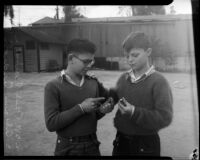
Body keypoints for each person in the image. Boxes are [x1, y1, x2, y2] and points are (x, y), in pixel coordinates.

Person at [44, 39, 114, 156]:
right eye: (86, 61)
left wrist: (102, 111)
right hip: (67, 147)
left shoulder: (93, 83)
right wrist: (81, 108)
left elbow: (92, 116)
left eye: (91, 61)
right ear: (71, 58)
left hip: (92, 144)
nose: (90, 65)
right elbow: (51, 124)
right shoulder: (53, 86)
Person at [110, 31, 173, 156]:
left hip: (145, 145)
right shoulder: (123, 78)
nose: (130, 60)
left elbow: (165, 117)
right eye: (127, 56)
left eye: (134, 55)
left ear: (148, 52)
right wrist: (108, 101)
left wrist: (134, 112)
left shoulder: (159, 81)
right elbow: (115, 96)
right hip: (120, 142)